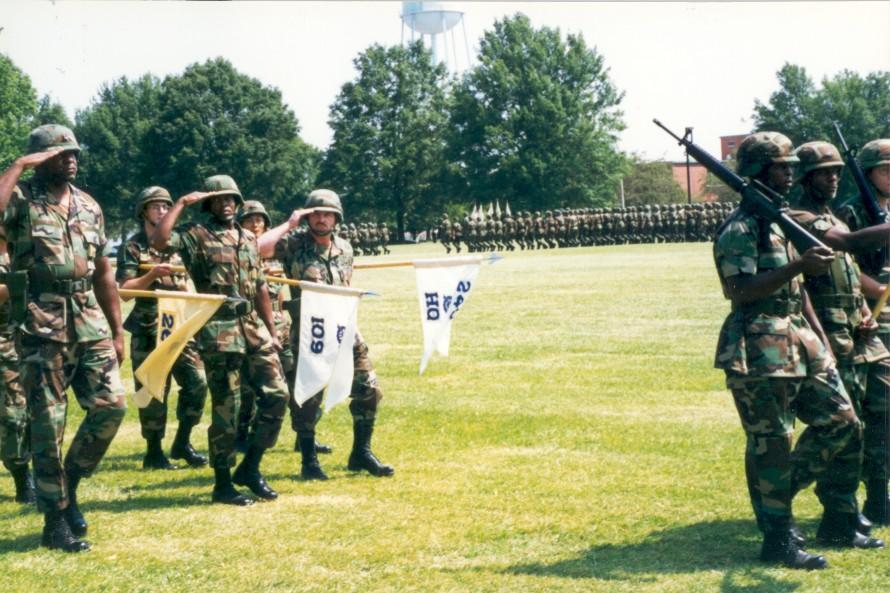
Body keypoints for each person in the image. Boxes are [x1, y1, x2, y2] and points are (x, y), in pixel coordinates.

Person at [713, 131, 865, 569]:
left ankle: (778, 491)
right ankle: (778, 537)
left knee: (842, 422)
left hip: (799, 335)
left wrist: (821, 340)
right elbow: (738, 289)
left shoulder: (778, 221)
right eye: (782, 167)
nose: (791, 174)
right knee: (772, 442)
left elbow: (798, 290)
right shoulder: (741, 227)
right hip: (759, 342)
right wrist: (800, 263)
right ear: (760, 170)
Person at [0, 124, 128, 552]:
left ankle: (69, 484)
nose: (70, 159)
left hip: (89, 320)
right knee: (47, 424)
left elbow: (104, 271)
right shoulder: (20, 200)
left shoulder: (89, 205)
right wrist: (18, 166)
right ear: (40, 160)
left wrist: (117, 331)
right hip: (41, 322)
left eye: (73, 153)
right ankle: (55, 521)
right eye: (60, 154)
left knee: (112, 407)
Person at [151, 175, 288, 505]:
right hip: (218, 329)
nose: (226, 204)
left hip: (252, 326)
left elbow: (259, 286)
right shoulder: (196, 235)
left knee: (277, 395)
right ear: (208, 203)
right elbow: (160, 240)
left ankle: (250, 467)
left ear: (238, 202)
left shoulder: (248, 238)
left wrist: (271, 330)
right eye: (218, 199)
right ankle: (223, 483)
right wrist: (182, 203)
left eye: (230, 198)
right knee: (228, 408)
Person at [787, 140, 890, 547]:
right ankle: (792, 502)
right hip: (829, 335)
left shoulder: (832, 216)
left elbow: (847, 272)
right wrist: (820, 336)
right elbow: (843, 249)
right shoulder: (798, 217)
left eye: (835, 172)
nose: (832, 178)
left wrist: (865, 312)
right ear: (804, 177)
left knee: (869, 421)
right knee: (843, 426)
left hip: (857, 333)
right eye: (823, 173)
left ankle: (848, 513)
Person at [258, 189, 394, 481]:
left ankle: (361, 453)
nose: (321, 218)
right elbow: (257, 248)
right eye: (316, 213)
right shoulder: (294, 245)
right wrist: (290, 223)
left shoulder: (345, 248)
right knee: (308, 398)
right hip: (311, 334)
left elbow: (346, 285)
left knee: (369, 389)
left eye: (328, 214)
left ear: (337, 217)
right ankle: (309, 460)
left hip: (345, 331)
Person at [117, 186, 208, 470]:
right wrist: (151, 275)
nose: (161, 210)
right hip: (148, 329)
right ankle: (154, 452)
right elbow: (125, 291)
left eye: (166, 206)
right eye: (155, 206)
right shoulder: (133, 247)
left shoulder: (178, 244)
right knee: (153, 390)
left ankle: (182, 442)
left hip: (180, 328)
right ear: (143, 211)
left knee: (197, 383)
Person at [234, 200, 332, 456]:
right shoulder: (236, 253)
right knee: (249, 388)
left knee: (298, 382)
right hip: (250, 328)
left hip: (281, 329)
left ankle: (305, 435)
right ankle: (242, 435)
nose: (255, 224)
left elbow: (280, 292)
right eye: (249, 220)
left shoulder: (278, 256)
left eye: (259, 220)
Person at [835, 138, 890, 524]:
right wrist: (880, 290)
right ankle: (876, 495)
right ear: (869, 174)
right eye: (886, 171)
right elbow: (845, 268)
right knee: (879, 409)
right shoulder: (851, 213)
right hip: (873, 318)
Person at [0, 228, 34, 504]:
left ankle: (28, 475)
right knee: (12, 413)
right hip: (3, 345)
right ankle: (23, 480)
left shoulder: (27, 251)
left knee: (28, 413)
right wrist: (20, 285)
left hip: (29, 342)